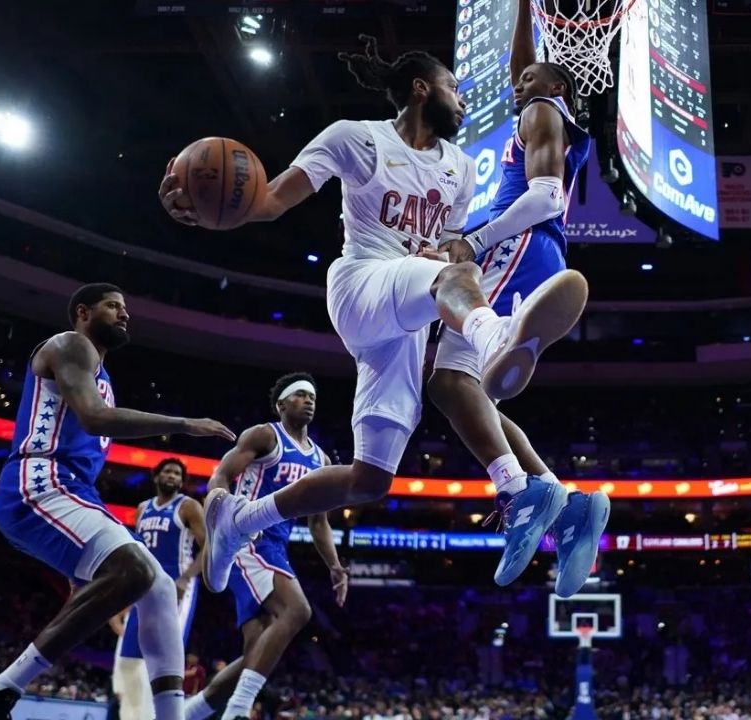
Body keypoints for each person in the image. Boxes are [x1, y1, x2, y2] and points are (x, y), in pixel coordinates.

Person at [158, 35, 587, 595]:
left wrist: (456, 254)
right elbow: (268, 201)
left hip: (407, 313)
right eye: (454, 89)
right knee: (459, 280)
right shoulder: (356, 139)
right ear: (420, 88)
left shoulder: (460, 167)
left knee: (371, 479)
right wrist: (206, 208)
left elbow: (451, 244)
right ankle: (497, 336)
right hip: (362, 282)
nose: (462, 101)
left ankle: (239, 520)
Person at [0, 283, 235, 720]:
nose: (124, 314)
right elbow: (94, 417)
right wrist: (183, 423)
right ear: (83, 312)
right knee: (138, 570)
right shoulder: (70, 345)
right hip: (39, 480)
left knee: (159, 586)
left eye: (126, 308)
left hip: (73, 491)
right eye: (113, 306)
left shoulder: (104, 377)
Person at [427, 0, 608, 596]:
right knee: (460, 389)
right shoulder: (541, 102)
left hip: (516, 243)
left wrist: (475, 240)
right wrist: (526, 8)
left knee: (452, 380)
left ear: (555, 86)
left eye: (531, 79)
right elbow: (523, 65)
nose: (518, 83)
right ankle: (564, 502)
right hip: (537, 251)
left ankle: (525, 489)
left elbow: (548, 198)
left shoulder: (539, 110)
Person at [184, 373, 346, 720]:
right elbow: (222, 474)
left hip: (277, 546)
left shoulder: (321, 461)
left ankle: (188, 714)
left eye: (312, 396)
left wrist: (334, 566)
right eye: (300, 395)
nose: (308, 400)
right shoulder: (264, 435)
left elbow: (319, 522)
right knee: (297, 611)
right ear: (281, 404)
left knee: (255, 653)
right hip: (248, 538)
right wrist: (218, 508)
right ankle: (239, 712)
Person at [113, 458, 207, 720]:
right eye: (167, 471)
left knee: (168, 655)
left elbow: (208, 547)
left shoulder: (188, 506)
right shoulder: (143, 508)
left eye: (177, 473)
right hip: (143, 586)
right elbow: (136, 552)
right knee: (129, 656)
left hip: (175, 586)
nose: (172, 476)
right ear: (156, 477)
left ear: (182, 481)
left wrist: (186, 578)